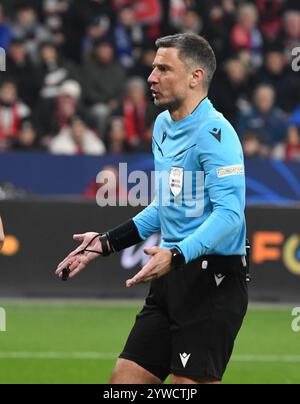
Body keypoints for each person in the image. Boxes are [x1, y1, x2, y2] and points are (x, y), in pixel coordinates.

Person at [56, 33, 248, 385]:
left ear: (195, 77)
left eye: (164, 68)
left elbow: (231, 216)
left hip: (212, 282)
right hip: (169, 278)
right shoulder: (162, 125)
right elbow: (165, 206)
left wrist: (176, 253)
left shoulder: (216, 132)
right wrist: (106, 243)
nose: (151, 77)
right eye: (153, 67)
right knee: (123, 383)